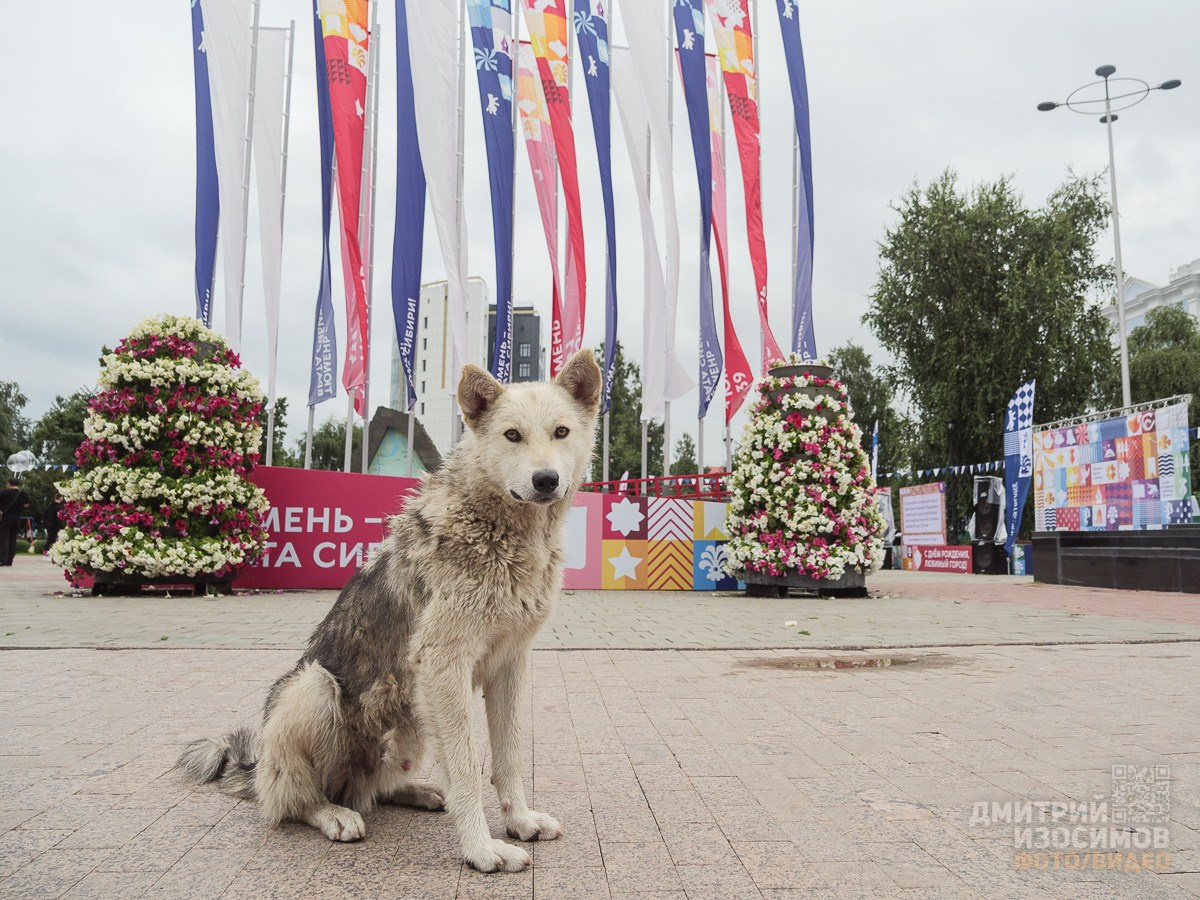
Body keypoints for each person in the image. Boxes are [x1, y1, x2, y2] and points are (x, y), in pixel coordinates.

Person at [0, 478, 32, 566]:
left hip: (5, 518)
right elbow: (26, 505)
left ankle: (3, 560)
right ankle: (10, 561)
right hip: (17, 518)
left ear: (9, 484)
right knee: (13, 539)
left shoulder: (3, 493)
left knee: (4, 539)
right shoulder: (23, 494)